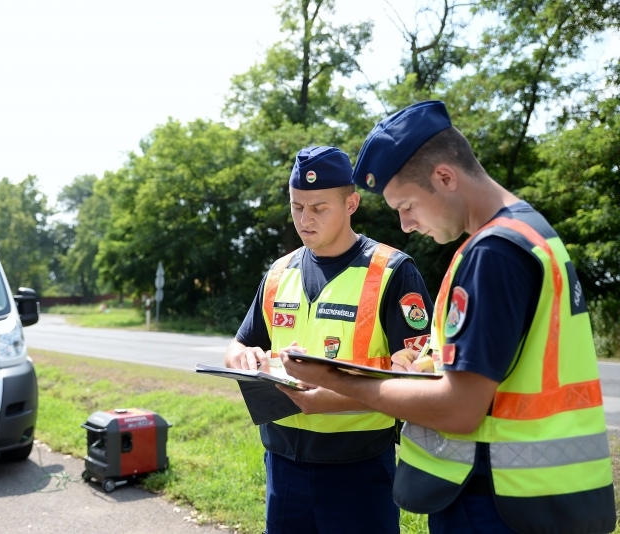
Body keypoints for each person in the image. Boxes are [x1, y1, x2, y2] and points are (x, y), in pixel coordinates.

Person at [280, 101, 617, 534]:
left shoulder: (493, 253)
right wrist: (424, 367)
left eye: (406, 205)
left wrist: (334, 378)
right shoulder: (531, 234)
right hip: (537, 498)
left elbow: (460, 409)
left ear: (444, 177)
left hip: (498, 501)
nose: (405, 224)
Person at [224, 145, 434, 534]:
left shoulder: (392, 272)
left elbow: (420, 379)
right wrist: (242, 357)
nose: (305, 219)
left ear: (351, 203)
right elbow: (238, 345)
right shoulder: (279, 272)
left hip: (359, 469)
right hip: (283, 464)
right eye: (297, 206)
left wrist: (334, 397)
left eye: (319, 208)